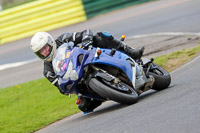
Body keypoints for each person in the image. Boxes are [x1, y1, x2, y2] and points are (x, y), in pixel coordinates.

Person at [30, 29, 144, 112]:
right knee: (83, 107)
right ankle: (106, 92)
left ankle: (131, 52)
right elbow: (61, 88)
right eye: (41, 52)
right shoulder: (47, 71)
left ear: (50, 42)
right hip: (78, 80)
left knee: (101, 36)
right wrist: (65, 87)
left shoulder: (63, 39)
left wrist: (86, 41)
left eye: (45, 48)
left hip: (89, 57)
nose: (44, 53)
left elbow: (86, 32)